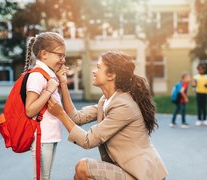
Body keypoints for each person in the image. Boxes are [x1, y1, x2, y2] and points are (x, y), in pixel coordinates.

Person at [48, 51, 168, 180]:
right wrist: (64, 85)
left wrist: (60, 113)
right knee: (80, 174)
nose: (94, 71)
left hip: (142, 175)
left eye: (98, 67)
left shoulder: (124, 106)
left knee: (83, 167)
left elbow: (87, 140)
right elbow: (77, 117)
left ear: (111, 75)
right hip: (125, 169)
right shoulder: (106, 100)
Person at [24, 32, 66, 179]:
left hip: (49, 136)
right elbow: (29, 110)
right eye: (60, 55)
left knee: (45, 177)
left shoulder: (48, 74)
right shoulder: (37, 76)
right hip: (42, 137)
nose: (63, 59)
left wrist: (60, 83)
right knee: (43, 177)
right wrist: (49, 90)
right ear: (44, 54)